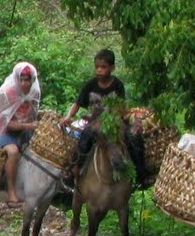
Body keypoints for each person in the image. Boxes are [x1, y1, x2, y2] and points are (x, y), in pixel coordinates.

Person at [62, 49, 146, 185]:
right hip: (94, 122)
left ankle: (141, 174)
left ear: (112, 68)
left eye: (103, 67)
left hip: (115, 123)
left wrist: (118, 117)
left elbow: (121, 107)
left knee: (134, 137)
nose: (99, 70)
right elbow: (77, 103)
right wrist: (69, 116)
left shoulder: (118, 85)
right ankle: (74, 169)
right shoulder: (90, 84)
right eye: (97, 67)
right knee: (85, 138)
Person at [0, 61, 40, 209]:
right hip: (3, 132)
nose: (25, 84)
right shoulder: (7, 94)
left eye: (28, 80)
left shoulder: (34, 94)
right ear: (17, 79)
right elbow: (4, 123)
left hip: (25, 132)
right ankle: (11, 192)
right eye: (22, 79)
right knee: (12, 152)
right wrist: (28, 125)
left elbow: (33, 115)